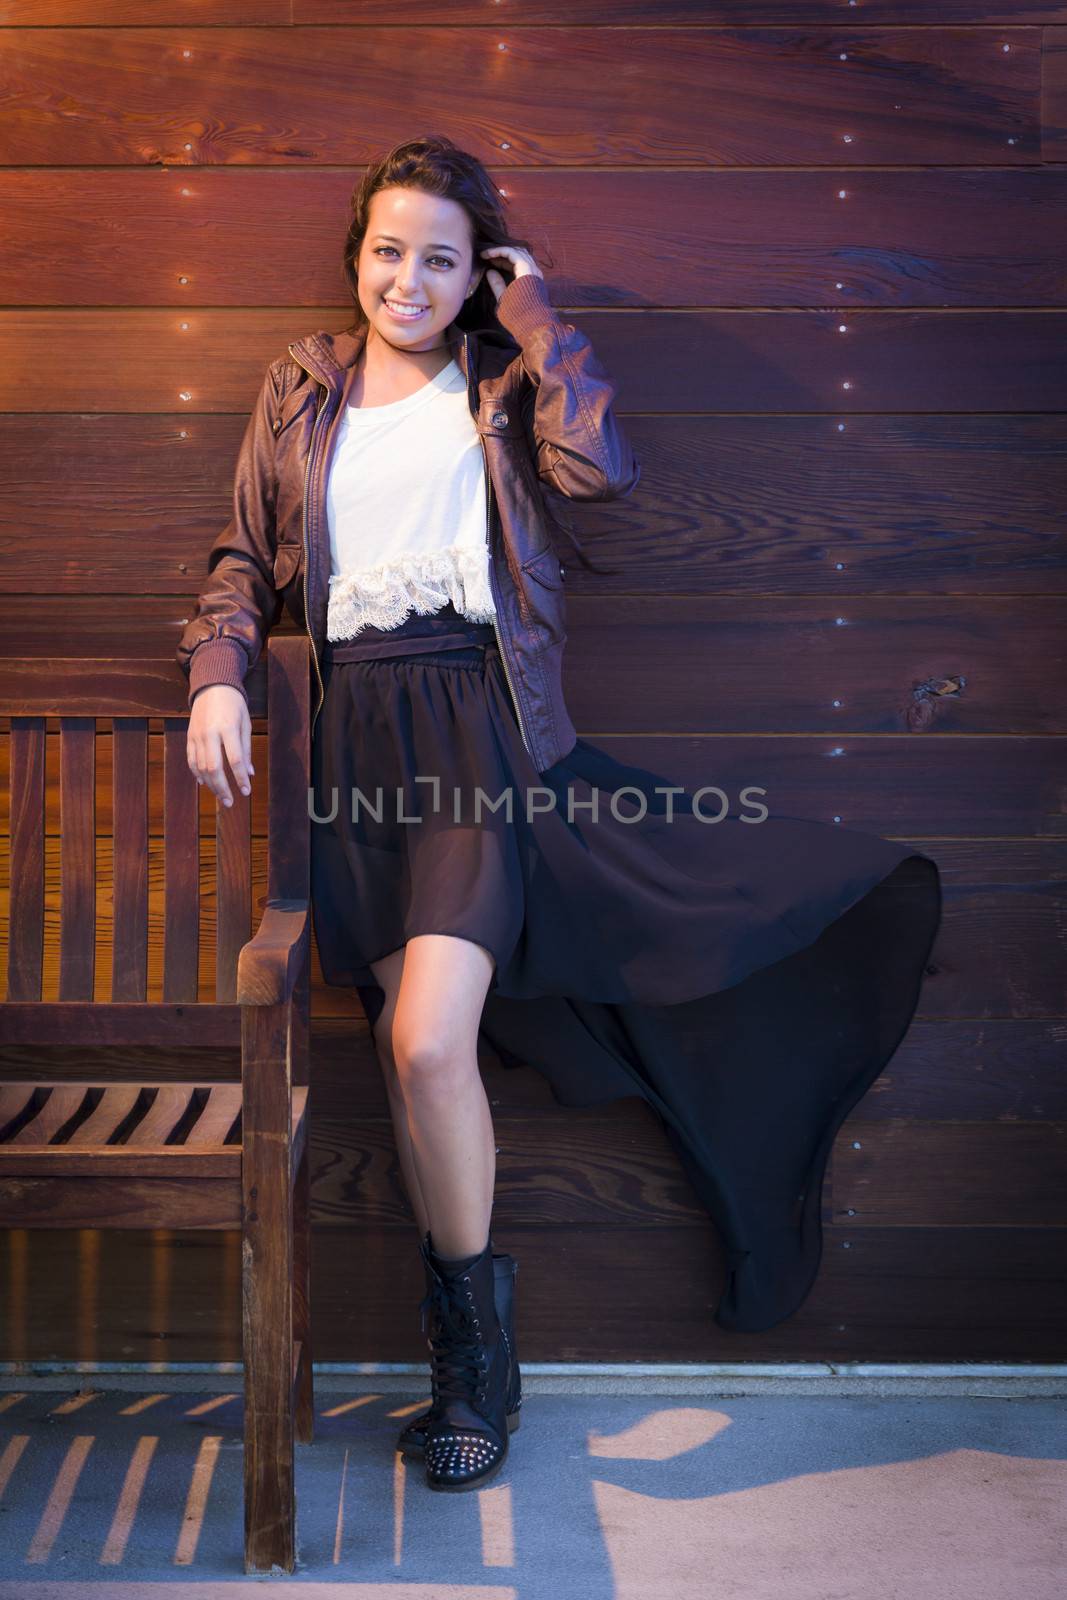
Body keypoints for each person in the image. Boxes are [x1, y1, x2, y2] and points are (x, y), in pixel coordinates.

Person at [178, 134, 942, 1494]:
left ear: (479, 276)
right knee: (416, 1073)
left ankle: (472, 1360)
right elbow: (245, 556)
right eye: (387, 250)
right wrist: (219, 678)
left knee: (424, 1049)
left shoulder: (500, 379)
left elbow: (601, 480)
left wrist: (546, 334)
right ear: (357, 256)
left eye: (441, 258)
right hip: (350, 758)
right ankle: (473, 1345)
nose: (406, 278)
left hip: (474, 732)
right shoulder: (300, 388)